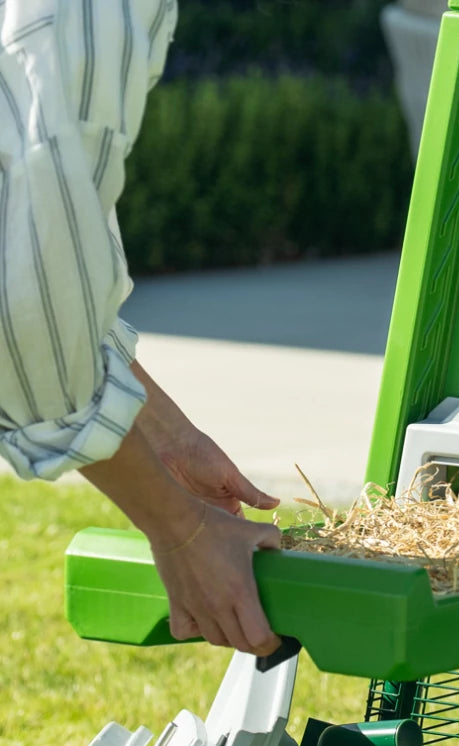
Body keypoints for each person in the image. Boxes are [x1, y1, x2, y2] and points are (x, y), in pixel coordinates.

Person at [0, 0, 281, 656]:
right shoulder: (92, 16)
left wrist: (168, 435)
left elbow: (52, 265)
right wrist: (181, 531)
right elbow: (24, 311)